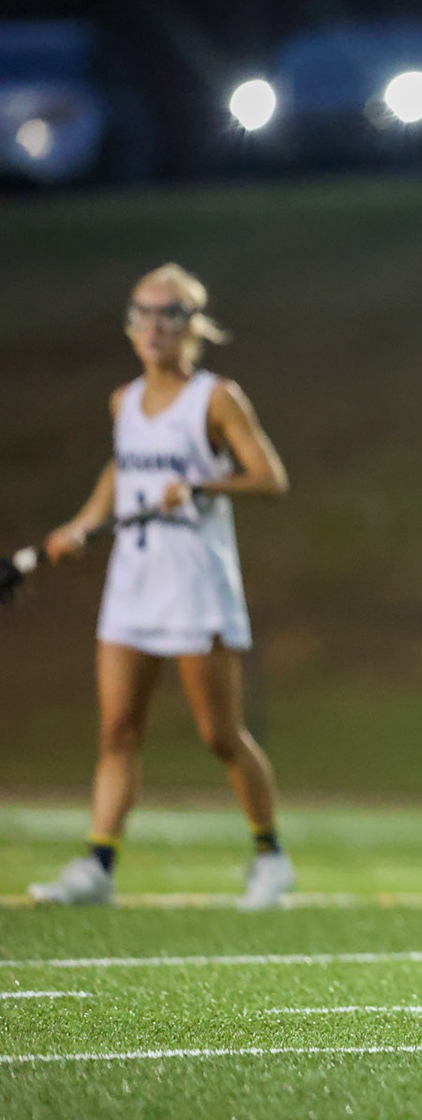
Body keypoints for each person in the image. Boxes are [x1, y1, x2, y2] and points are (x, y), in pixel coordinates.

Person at [28, 264, 295, 911]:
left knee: (220, 736)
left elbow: (269, 476)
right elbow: (121, 471)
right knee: (117, 732)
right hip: (133, 585)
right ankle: (99, 864)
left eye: (168, 313)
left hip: (195, 587)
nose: (153, 325)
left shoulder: (215, 398)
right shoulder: (124, 401)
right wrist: (80, 526)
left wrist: (203, 486)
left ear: (190, 325)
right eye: (142, 313)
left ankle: (270, 858)